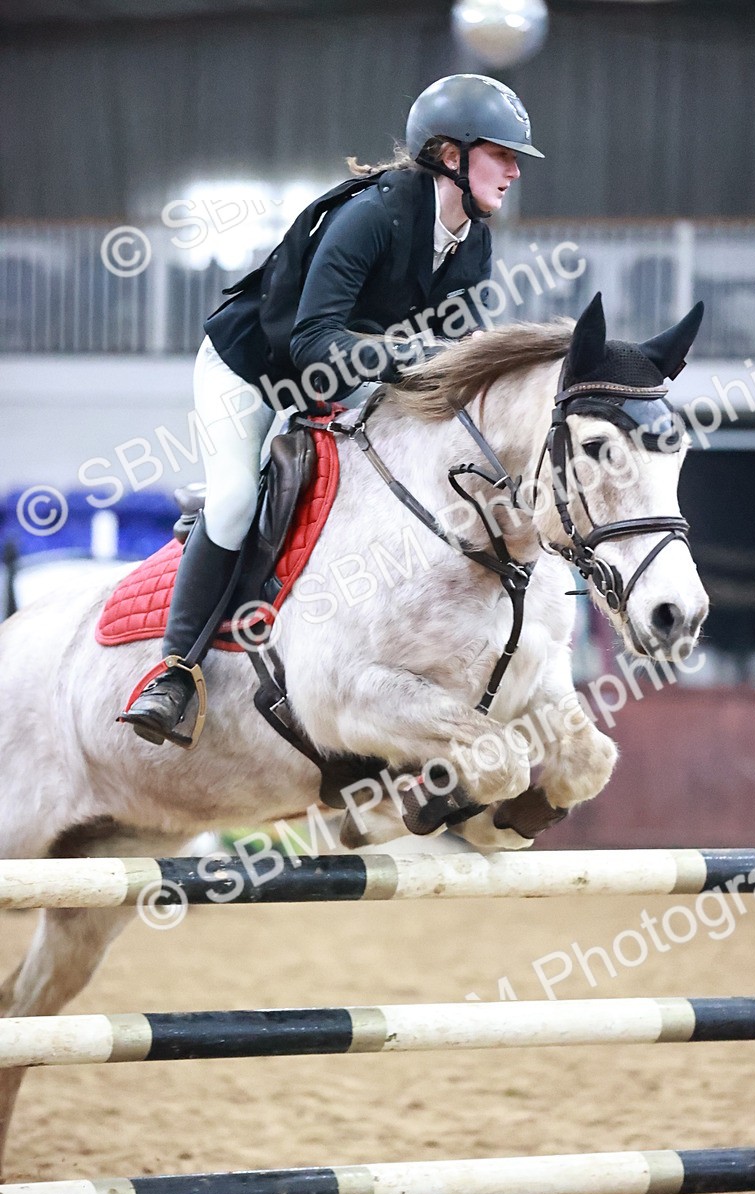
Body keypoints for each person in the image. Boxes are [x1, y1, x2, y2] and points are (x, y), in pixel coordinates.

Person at [120, 73, 544, 748]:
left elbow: (455, 352)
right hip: (252, 370)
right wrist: (418, 355)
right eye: (503, 153)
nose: (516, 169)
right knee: (234, 498)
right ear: (452, 155)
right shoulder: (374, 216)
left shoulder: (473, 242)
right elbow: (313, 342)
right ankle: (172, 673)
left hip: (345, 380)